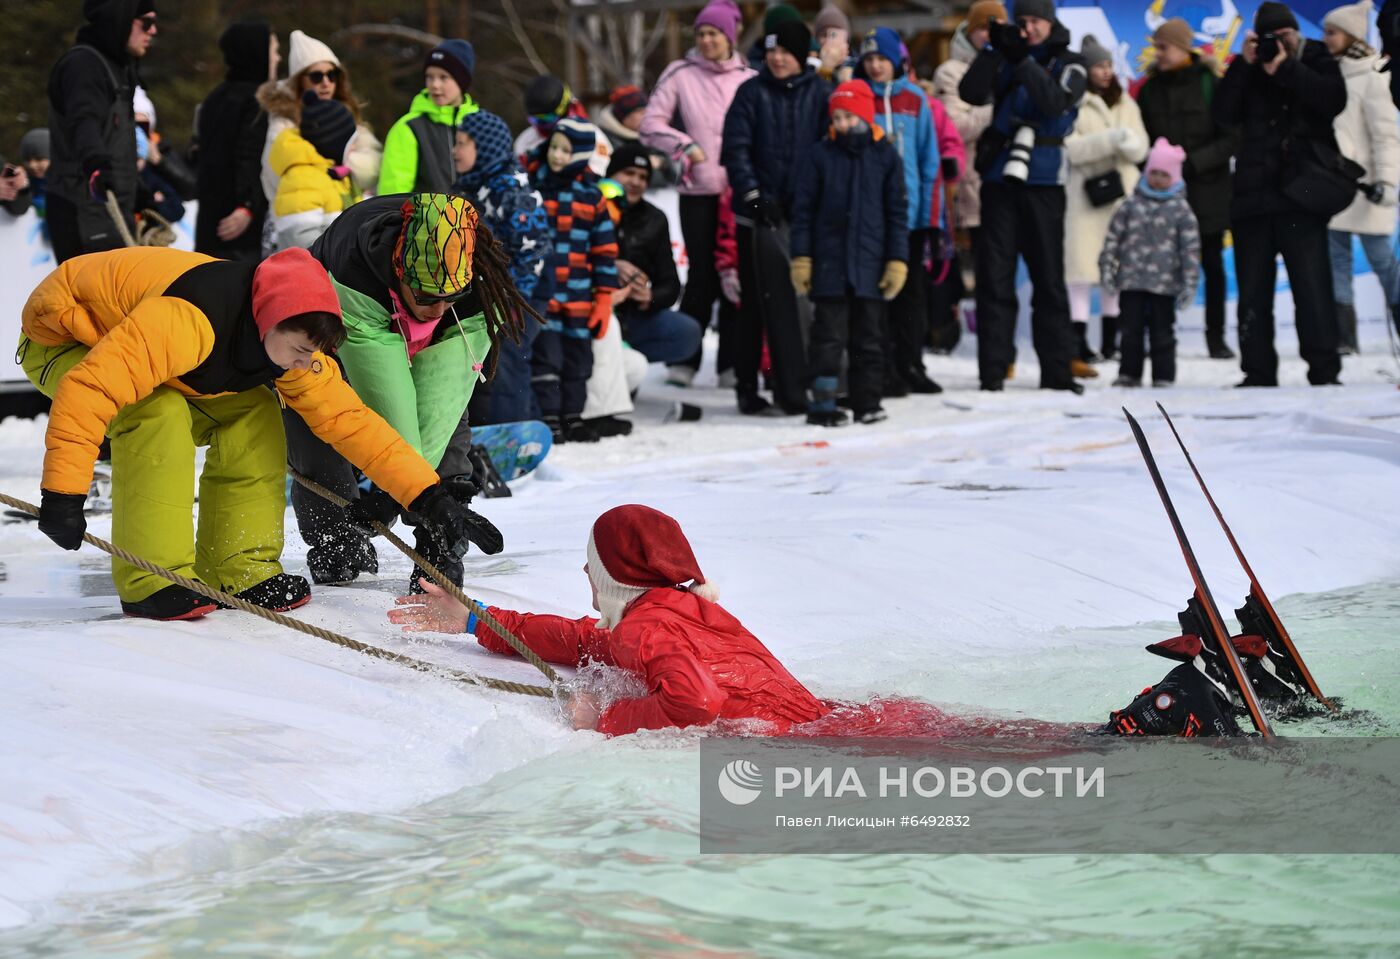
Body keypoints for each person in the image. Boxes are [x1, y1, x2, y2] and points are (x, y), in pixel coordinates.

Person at [19, 247, 494, 621]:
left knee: (256, 413)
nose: (306, 364)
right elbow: (90, 389)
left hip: (160, 357)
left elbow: (352, 422)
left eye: (315, 354)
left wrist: (429, 497)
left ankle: (238, 568)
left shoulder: (290, 340)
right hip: (67, 338)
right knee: (157, 413)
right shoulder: (188, 322)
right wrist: (63, 494)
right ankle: (154, 579)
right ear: (271, 319)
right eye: (302, 351)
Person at [391, 503, 831, 735]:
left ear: (615, 577)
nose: (586, 572)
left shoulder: (645, 627)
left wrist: (605, 717)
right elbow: (582, 641)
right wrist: (477, 619)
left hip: (787, 746)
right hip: (825, 722)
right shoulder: (680, 608)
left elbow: (697, 702)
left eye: (593, 565)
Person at [294, 193, 529, 590]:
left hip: (417, 332)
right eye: (425, 297)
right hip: (334, 333)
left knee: (448, 414)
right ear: (400, 272)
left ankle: (439, 543)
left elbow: (437, 408)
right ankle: (335, 536)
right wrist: (400, 483)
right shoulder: (353, 267)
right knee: (322, 420)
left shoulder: (477, 282)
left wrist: (422, 497)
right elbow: (388, 409)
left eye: (449, 299)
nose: (438, 309)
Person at [958, 0, 1087, 394]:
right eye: (1022, 22)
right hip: (999, 181)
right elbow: (971, 93)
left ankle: (1057, 373)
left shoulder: (1071, 63)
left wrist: (1023, 61)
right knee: (994, 279)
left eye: (1034, 22)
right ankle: (992, 372)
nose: (1027, 29)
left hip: (1045, 183)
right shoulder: (1007, 55)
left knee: (1048, 279)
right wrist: (993, 51)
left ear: (1050, 23)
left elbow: (1054, 105)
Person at [1214, 2, 1346, 387]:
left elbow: (1332, 101)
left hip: (1301, 195)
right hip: (1252, 198)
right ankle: (1257, 371)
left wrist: (1286, 67)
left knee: (1312, 286)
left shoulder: (1316, 58)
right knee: (1252, 292)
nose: (1277, 44)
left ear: (1296, 35)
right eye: (1269, 38)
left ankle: (1324, 370)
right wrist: (1244, 63)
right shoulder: (1247, 67)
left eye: (1283, 37)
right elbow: (1222, 114)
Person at [641, 0, 754, 388]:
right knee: (703, 275)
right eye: (701, 33)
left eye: (714, 34)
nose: (706, 40)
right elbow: (650, 123)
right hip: (699, 192)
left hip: (739, 192)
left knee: (738, 277)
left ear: (730, 38)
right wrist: (683, 146)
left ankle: (732, 363)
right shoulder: (681, 73)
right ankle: (686, 359)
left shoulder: (747, 78)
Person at [722, 19, 833, 415]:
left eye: (785, 51)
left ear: (800, 55)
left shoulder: (820, 94)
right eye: (771, 51)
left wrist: (810, 200)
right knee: (753, 305)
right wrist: (753, 196)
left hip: (803, 216)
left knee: (803, 300)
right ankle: (746, 387)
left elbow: (827, 151)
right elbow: (735, 149)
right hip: (757, 216)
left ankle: (807, 381)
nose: (777, 58)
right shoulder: (751, 92)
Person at [790, 82, 908, 427]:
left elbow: (897, 214)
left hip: (870, 266)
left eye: (847, 116)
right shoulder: (820, 156)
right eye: (836, 117)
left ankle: (867, 402)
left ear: (863, 115)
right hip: (830, 265)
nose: (840, 123)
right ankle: (824, 404)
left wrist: (897, 261)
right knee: (827, 339)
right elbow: (804, 213)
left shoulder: (885, 157)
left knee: (869, 339)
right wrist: (802, 257)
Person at [1136, 18, 1239, 361]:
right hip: (1162, 197)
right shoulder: (1150, 89)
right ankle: (1161, 341)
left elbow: (1231, 138)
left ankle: (1216, 338)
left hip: (1207, 191)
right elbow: (1142, 141)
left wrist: (1194, 163)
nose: (1158, 53)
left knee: (1212, 263)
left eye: (1163, 47)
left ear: (1183, 48)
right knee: (1159, 268)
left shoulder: (1212, 83)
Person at [855, 28, 941, 396]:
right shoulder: (859, 99)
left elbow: (928, 160)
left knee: (911, 296)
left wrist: (930, 219)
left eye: (882, 59)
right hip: (871, 219)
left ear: (896, 61)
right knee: (877, 296)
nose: (876, 66)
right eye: (869, 60)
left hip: (910, 217)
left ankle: (911, 363)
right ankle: (884, 368)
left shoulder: (916, 99)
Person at [449, 110, 550, 425]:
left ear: (486, 147)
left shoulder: (510, 189)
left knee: (507, 357)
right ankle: (491, 426)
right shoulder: (475, 186)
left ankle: (514, 428)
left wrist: (512, 299)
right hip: (498, 291)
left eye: (463, 143)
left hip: (523, 294)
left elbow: (533, 248)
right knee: (487, 359)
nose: (455, 150)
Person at [45, 0, 155, 263]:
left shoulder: (119, 68)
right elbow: (85, 123)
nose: (153, 32)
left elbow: (117, 139)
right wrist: (96, 165)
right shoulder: (83, 65)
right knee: (94, 302)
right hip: (83, 207)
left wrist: (137, 190)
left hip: (112, 208)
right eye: (147, 23)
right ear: (120, 19)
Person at [530, 119, 619, 443]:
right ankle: (550, 416)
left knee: (579, 359)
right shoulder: (534, 187)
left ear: (581, 155)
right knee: (547, 357)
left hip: (580, 296)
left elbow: (605, 250)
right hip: (544, 294)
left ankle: (574, 416)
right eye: (554, 147)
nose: (556, 155)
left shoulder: (592, 197)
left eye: (566, 150)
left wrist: (605, 296)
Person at [1063, 34, 1147, 373]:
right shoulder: (1073, 102)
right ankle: (1078, 341)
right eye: (1099, 65)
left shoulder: (1126, 103)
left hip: (1121, 196)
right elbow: (1071, 148)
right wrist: (1110, 140)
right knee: (1081, 272)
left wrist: (1125, 144)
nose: (1106, 71)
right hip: (1085, 198)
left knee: (1117, 270)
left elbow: (1141, 147)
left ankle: (1112, 340)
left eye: (1109, 65)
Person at [1323, 0, 1400, 351]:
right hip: (1336, 187)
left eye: (1332, 32)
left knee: (1384, 262)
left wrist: (1387, 182)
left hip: (1370, 187)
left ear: (1351, 34)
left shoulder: (1373, 75)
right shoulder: (1326, 74)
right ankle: (1344, 339)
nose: (1326, 39)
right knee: (1336, 262)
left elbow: (1386, 136)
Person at [258, 29, 382, 240]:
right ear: (300, 80)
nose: (326, 82)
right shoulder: (284, 123)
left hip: (342, 216)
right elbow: (275, 175)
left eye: (331, 75)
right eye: (316, 76)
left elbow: (373, 167)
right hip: (299, 215)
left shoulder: (347, 115)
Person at [1099, 138, 1201, 388]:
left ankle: (1163, 375)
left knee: (1162, 332)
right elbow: (1112, 239)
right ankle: (1129, 373)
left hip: (1164, 285)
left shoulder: (1181, 210)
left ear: (1174, 178)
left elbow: (1190, 250)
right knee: (1130, 330)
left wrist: (1190, 283)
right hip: (1131, 281)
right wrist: (1107, 268)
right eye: (1153, 172)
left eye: (1163, 174)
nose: (1157, 178)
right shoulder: (1129, 205)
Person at [604, 144, 704, 375]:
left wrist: (650, 297)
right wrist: (612, 267)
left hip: (633, 316)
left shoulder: (655, 218)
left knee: (686, 332)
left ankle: (625, 366)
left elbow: (671, 284)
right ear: (611, 174)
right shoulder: (590, 206)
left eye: (643, 177)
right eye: (628, 173)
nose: (636, 182)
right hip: (592, 308)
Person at [195, 20, 276, 261]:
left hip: (211, 221)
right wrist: (248, 204)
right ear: (257, 52)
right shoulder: (256, 101)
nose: (278, 59)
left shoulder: (214, 97)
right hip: (239, 225)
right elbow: (249, 154)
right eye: (273, 51)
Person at [378, 40, 478, 195]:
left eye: (444, 77)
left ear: (462, 80)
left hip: (477, 218)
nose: (435, 85)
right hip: (424, 218)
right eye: (429, 77)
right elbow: (393, 195)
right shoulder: (408, 127)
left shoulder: (481, 125)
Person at [269, 91, 359, 249]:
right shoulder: (302, 178)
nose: (354, 147)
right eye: (351, 142)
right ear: (334, 144)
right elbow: (301, 239)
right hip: (310, 271)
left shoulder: (334, 176)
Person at [513, 76, 611, 178]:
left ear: (563, 109)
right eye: (535, 119)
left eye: (547, 117)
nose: (541, 124)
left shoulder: (593, 138)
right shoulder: (525, 141)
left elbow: (600, 176)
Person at [596, 85, 648, 150]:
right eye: (640, 112)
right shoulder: (604, 141)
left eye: (646, 111)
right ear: (624, 116)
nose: (646, 116)